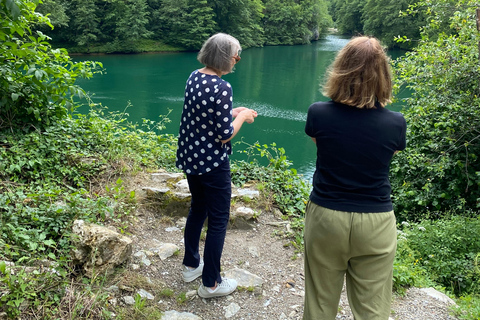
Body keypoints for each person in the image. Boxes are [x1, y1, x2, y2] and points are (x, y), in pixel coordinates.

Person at [303, 36, 407, 320]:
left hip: (326, 216)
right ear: (384, 75)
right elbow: (381, 157)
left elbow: (322, 145)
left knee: (319, 305)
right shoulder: (396, 124)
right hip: (376, 222)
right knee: (373, 310)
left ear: (340, 69)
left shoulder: (318, 114)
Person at [175, 33, 258, 299]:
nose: (238, 60)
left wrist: (231, 112)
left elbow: (202, 114)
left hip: (191, 158)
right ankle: (210, 283)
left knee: (198, 208)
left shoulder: (194, 77)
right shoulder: (223, 87)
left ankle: (191, 265)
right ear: (225, 56)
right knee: (219, 219)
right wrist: (243, 116)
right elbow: (224, 134)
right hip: (212, 163)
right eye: (236, 55)